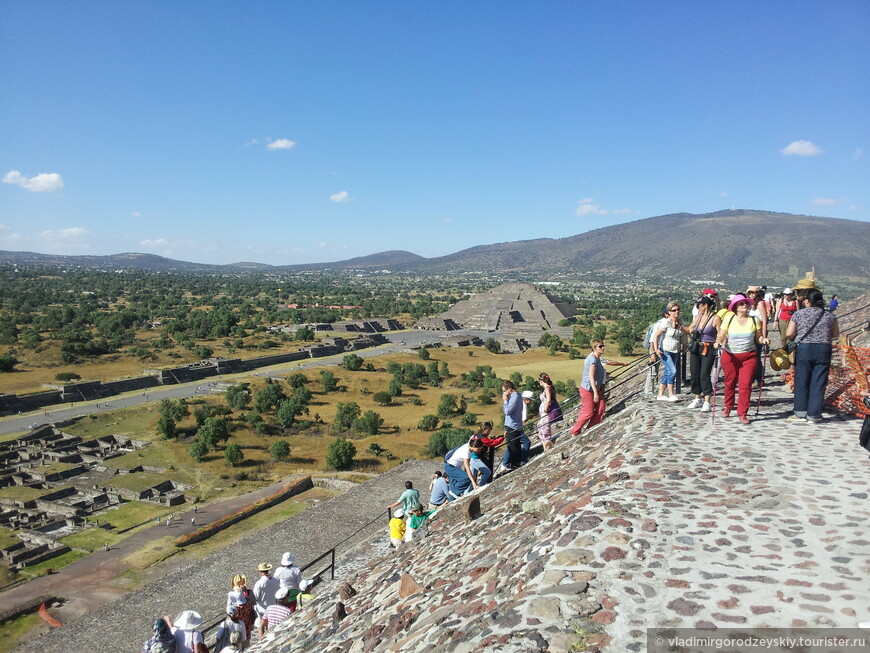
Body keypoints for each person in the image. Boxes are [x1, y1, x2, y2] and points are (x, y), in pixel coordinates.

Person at [785, 289, 840, 424]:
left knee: (802, 381)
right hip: (823, 349)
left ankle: (800, 412)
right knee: (819, 382)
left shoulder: (799, 314)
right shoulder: (830, 316)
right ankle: (814, 415)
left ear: (808, 301)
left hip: (804, 349)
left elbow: (789, 333)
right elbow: (835, 334)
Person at [714, 294, 770, 424]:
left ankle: (743, 413)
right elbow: (721, 335)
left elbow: (758, 337)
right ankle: (728, 406)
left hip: (748, 357)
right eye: (741, 304)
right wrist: (718, 342)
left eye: (746, 303)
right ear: (735, 307)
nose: (745, 305)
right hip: (730, 356)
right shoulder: (729, 319)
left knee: (745, 385)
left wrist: (764, 340)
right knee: (730, 382)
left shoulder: (754, 320)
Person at [570, 340, 625, 435]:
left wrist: (605, 374)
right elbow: (591, 377)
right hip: (588, 389)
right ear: (594, 348)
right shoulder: (592, 360)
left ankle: (591, 429)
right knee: (588, 412)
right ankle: (575, 431)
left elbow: (599, 372)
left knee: (601, 407)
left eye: (603, 346)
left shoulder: (598, 358)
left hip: (594, 388)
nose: (603, 348)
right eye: (600, 346)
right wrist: (596, 393)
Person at [684, 296, 720, 413]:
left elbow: (721, 333)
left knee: (704, 374)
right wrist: (678, 325)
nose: (698, 307)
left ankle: (707, 401)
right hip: (697, 348)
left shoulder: (715, 318)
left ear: (706, 305)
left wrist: (718, 342)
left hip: (708, 348)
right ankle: (697, 397)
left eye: (699, 305)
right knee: (694, 373)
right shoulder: (699, 317)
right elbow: (690, 329)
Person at [651, 302, 685, 401]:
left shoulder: (681, 322)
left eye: (678, 309)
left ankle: (660, 394)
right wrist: (656, 349)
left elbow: (684, 334)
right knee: (673, 371)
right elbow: (656, 335)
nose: (676, 312)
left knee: (667, 371)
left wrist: (685, 345)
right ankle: (671, 394)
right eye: (673, 310)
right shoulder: (665, 322)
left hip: (676, 350)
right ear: (669, 312)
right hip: (665, 350)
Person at [746, 286, 770, 385]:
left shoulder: (760, 304)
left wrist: (764, 336)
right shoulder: (747, 304)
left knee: (756, 355)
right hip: (749, 332)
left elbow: (764, 321)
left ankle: (759, 378)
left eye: (754, 293)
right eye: (750, 293)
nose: (752, 294)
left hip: (758, 332)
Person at [225, 574, 254, 646]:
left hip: (236, 624)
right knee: (246, 643)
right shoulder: (247, 599)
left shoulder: (232, 597)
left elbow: (228, 608)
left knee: (235, 641)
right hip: (246, 624)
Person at [501, 380, 524, 470]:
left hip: (512, 425)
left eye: (504, 391)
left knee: (513, 446)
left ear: (509, 389)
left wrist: (505, 401)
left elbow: (507, 411)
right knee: (513, 445)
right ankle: (514, 464)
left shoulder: (515, 397)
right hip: (514, 424)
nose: (503, 393)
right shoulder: (516, 396)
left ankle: (515, 465)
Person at [536, 373, 561, 451]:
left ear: (541, 381)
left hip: (546, 413)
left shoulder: (547, 388)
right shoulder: (548, 388)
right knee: (540, 426)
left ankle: (547, 447)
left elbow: (548, 399)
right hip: (544, 413)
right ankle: (545, 447)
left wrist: (545, 409)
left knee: (545, 429)